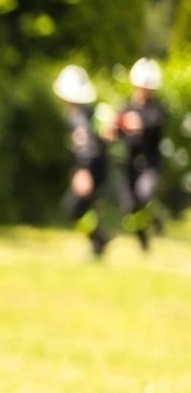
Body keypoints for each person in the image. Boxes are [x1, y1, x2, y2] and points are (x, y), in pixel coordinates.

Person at [53, 64, 111, 259]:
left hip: (89, 169)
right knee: (82, 209)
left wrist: (83, 170)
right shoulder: (86, 113)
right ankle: (99, 239)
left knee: (72, 208)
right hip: (96, 168)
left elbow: (86, 146)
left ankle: (99, 237)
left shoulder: (78, 117)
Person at [117, 57, 168, 250]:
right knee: (130, 208)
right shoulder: (126, 107)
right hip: (130, 164)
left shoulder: (157, 110)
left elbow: (153, 125)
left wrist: (138, 124)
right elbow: (118, 129)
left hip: (149, 164)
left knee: (144, 195)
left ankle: (156, 216)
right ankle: (142, 239)